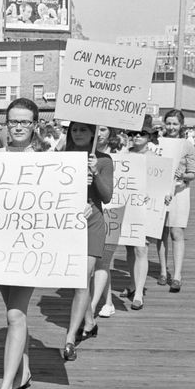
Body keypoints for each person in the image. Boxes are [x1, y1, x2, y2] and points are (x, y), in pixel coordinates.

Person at [0, 98, 46, 389]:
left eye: (26, 122)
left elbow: (60, 202)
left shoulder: (48, 160)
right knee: (13, 310)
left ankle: (5, 388)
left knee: (15, 315)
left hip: (31, 247)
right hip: (0, 246)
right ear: (5, 124)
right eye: (13, 121)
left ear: (35, 125)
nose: (19, 126)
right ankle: (25, 370)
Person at [61, 122, 113, 361]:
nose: (78, 134)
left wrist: (94, 172)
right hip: (68, 224)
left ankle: (70, 338)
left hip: (92, 223)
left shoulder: (103, 160)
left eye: (83, 130)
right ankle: (89, 322)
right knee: (75, 280)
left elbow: (106, 196)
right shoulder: (62, 157)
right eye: (74, 130)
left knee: (82, 279)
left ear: (93, 133)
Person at [119, 116, 166, 311]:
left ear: (149, 136)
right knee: (130, 248)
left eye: (142, 133)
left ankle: (139, 291)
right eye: (134, 133)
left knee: (141, 249)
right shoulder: (123, 155)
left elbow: (162, 187)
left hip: (146, 210)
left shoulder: (156, 159)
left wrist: (166, 196)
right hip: (127, 207)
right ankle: (132, 282)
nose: (137, 136)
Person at [156, 110, 195, 293]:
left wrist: (183, 174)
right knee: (161, 232)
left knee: (176, 232)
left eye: (175, 124)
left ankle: (177, 275)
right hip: (160, 190)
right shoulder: (156, 143)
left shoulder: (187, 145)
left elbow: (192, 173)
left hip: (180, 191)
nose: (171, 127)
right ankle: (163, 271)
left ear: (181, 125)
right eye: (169, 123)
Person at [90, 125, 124, 319]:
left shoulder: (117, 153)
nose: (98, 134)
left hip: (114, 210)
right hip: (95, 212)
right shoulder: (81, 152)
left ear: (110, 132)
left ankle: (94, 305)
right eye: (95, 130)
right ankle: (108, 301)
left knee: (103, 260)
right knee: (100, 261)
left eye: (103, 129)